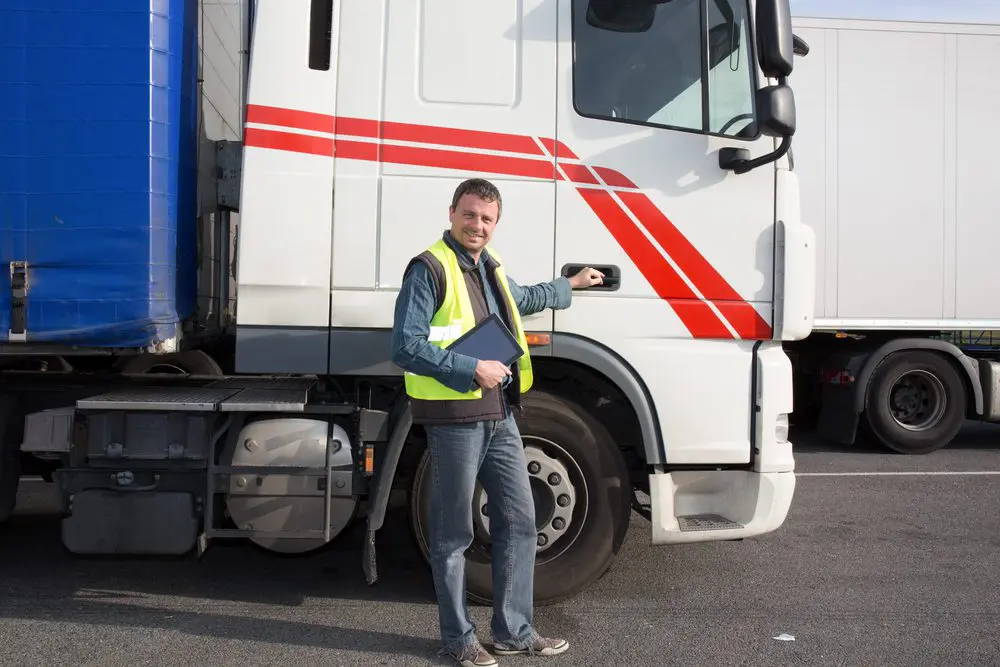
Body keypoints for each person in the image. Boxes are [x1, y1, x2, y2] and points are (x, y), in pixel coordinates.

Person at [390, 178, 604, 666]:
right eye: (470, 215)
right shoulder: (429, 268)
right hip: (455, 418)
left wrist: (568, 285)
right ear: (452, 214)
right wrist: (472, 367)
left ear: (495, 223)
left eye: (486, 219)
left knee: (521, 521)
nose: (477, 225)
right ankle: (458, 639)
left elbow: (520, 299)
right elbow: (405, 344)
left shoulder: (489, 267)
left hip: (500, 414)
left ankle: (513, 631)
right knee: (453, 535)